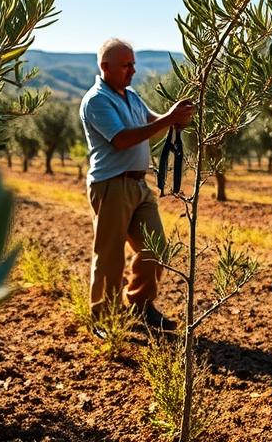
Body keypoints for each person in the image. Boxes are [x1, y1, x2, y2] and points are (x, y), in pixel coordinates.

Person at [79, 38, 194, 334]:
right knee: (110, 254)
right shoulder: (96, 100)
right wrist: (167, 120)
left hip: (138, 185)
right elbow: (122, 139)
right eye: (126, 65)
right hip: (111, 185)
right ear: (105, 67)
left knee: (155, 247)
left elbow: (152, 120)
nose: (132, 70)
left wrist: (174, 118)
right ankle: (104, 319)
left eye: (133, 64)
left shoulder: (130, 95)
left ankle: (141, 306)